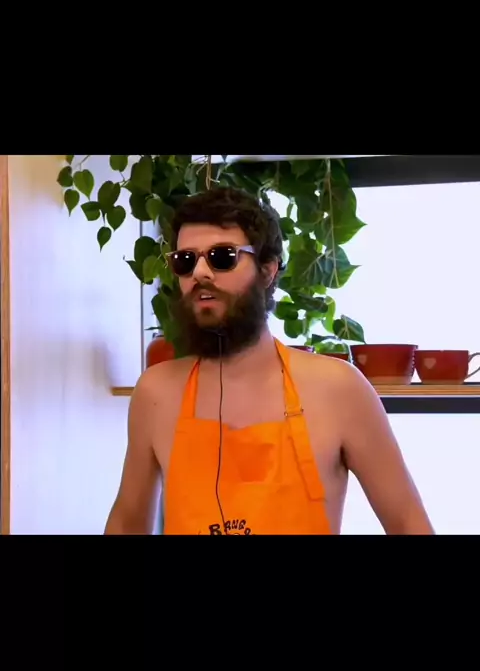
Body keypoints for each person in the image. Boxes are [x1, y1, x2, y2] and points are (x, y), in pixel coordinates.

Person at [105, 187, 434, 536]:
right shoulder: (156, 393)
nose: (200, 273)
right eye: (186, 260)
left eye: (222, 257)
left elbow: (408, 524)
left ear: (267, 270)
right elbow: (127, 524)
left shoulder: (338, 389)